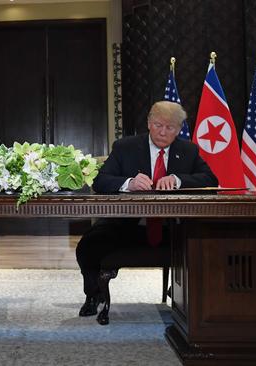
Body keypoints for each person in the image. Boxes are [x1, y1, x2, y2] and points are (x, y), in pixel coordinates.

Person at [76, 101, 218, 316]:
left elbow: (210, 180)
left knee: (208, 244)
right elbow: (100, 181)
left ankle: (192, 298)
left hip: (174, 228)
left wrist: (178, 179)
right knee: (88, 245)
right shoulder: (125, 147)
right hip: (126, 225)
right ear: (149, 123)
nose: (163, 132)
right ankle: (95, 295)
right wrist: (128, 183)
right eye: (158, 125)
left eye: (170, 127)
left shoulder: (188, 150)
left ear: (179, 129)